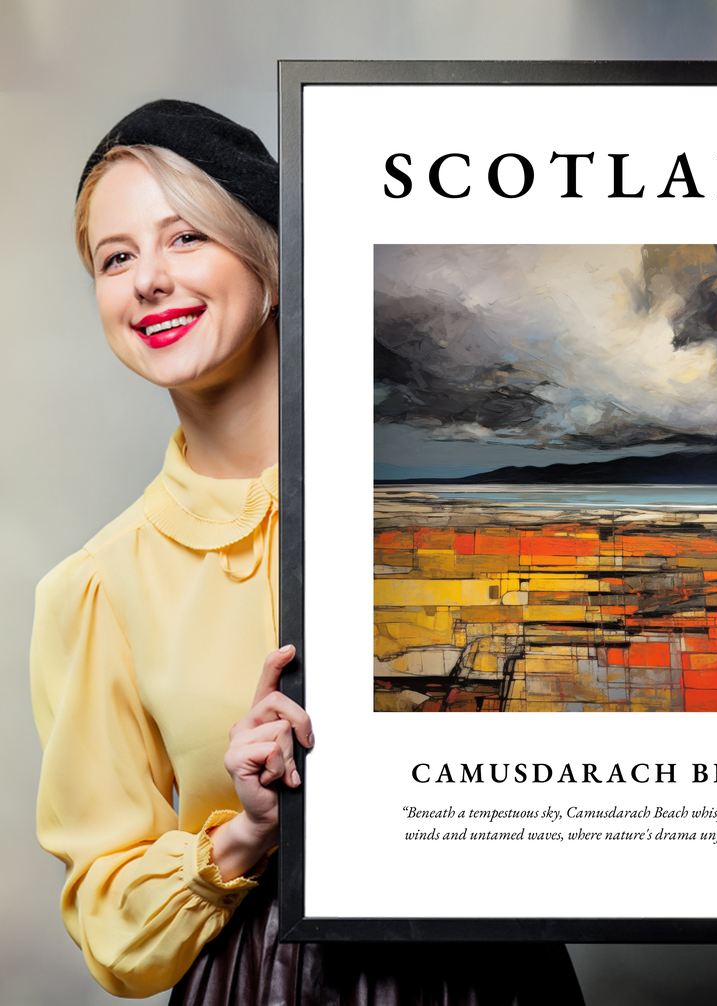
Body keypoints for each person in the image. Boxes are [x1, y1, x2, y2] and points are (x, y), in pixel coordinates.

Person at [30, 100, 586, 1004]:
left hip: (492, 974)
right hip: (262, 982)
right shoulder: (97, 587)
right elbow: (110, 923)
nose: (148, 281)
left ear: (273, 264)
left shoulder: (445, 507)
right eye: (116, 257)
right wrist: (245, 832)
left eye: (186, 238)